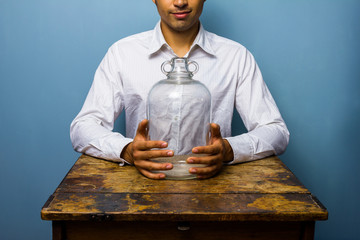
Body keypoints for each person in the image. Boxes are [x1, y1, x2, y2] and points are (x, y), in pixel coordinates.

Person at [70, 0, 289, 180]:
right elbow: (83, 127)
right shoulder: (122, 53)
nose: (180, 2)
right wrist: (127, 150)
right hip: (141, 188)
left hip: (214, 190)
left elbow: (276, 132)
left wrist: (227, 150)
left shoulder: (236, 56)